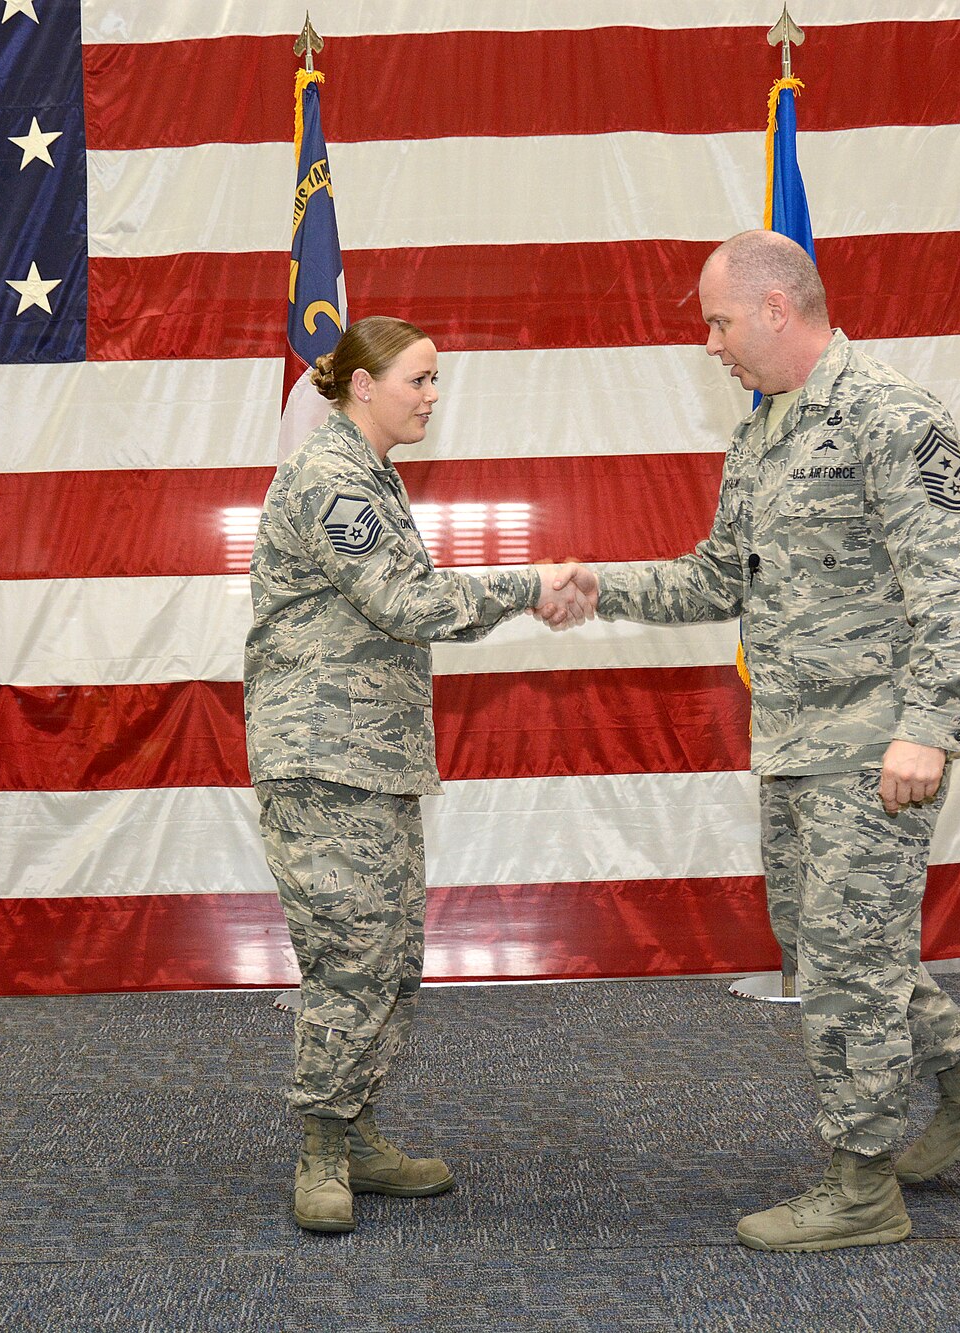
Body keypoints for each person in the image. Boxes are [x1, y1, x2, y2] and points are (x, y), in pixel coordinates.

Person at [552, 230, 960, 1252]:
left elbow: (958, 594)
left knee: (848, 967)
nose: (710, 345)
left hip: (874, 749)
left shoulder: (889, 416)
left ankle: (860, 1188)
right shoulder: (762, 432)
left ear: (777, 310)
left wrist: (927, 730)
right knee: (829, 937)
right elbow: (717, 576)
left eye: (718, 322)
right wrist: (604, 587)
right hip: (792, 741)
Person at [245, 315, 590, 1234]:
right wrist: (526, 584)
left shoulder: (371, 476)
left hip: (372, 755)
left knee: (392, 958)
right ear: (363, 385)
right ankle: (321, 1145)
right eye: (419, 379)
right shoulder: (330, 478)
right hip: (324, 757)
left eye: (437, 381)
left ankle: (354, 1129)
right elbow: (403, 602)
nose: (433, 396)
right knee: (350, 955)